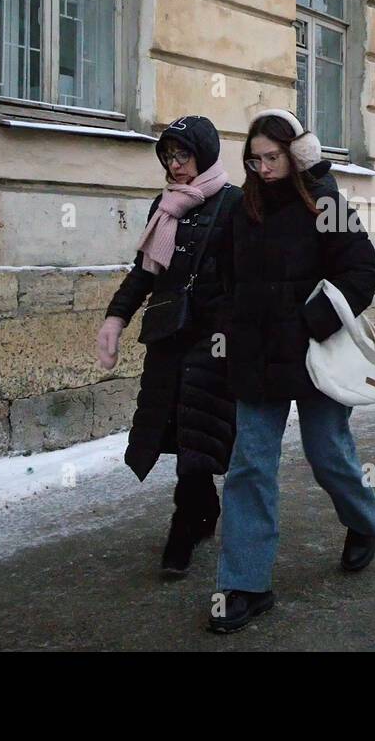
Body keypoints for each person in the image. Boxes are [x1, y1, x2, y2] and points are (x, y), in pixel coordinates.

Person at [208, 110, 375, 633]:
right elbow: (222, 278)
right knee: (249, 465)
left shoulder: (324, 203)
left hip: (315, 353)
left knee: (327, 454)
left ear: (294, 155)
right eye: (254, 159)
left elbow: (361, 271)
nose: (262, 168)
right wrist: (227, 324)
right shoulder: (242, 210)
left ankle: (364, 520)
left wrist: (310, 323)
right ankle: (244, 583)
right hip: (256, 359)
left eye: (272, 157)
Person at [97, 115, 242, 575]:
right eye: (168, 156)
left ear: (205, 154)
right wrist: (116, 317)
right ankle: (205, 511)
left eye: (183, 155)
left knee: (197, 432)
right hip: (168, 333)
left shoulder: (235, 203)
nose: (175, 165)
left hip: (214, 338)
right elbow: (145, 272)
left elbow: (247, 277)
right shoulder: (164, 206)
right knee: (173, 429)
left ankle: (185, 524)